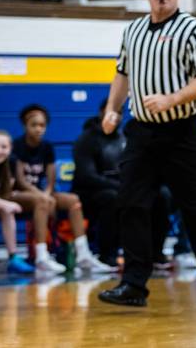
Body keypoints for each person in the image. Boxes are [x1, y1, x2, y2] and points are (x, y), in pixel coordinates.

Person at [97, 0, 196, 310]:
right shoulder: (133, 31)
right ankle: (133, 284)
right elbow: (121, 74)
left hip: (182, 131)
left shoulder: (193, 29)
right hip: (141, 131)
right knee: (130, 202)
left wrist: (171, 99)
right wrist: (111, 109)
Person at [11, 104, 115, 274]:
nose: (39, 129)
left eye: (42, 125)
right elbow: (21, 181)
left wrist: (47, 193)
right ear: (25, 126)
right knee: (44, 201)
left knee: (73, 200)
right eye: (34, 125)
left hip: (40, 195)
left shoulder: (47, 147)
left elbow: (51, 179)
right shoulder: (18, 146)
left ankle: (83, 254)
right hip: (18, 195)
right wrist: (44, 197)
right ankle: (42, 256)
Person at [72, 99, 126, 267]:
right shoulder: (86, 139)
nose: (115, 117)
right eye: (112, 111)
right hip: (88, 193)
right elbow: (86, 176)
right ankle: (107, 255)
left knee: (156, 195)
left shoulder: (124, 138)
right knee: (112, 198)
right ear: (102, 111)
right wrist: (120, 187)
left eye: (119, 113)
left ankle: (150, 254)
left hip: (118, 190)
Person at [0, 130, 34, 275]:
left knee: (6, 212)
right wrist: (3, 204)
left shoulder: (11, 163)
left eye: (4, 147)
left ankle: (13, 257)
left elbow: (5, 192)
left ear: (10, 149)